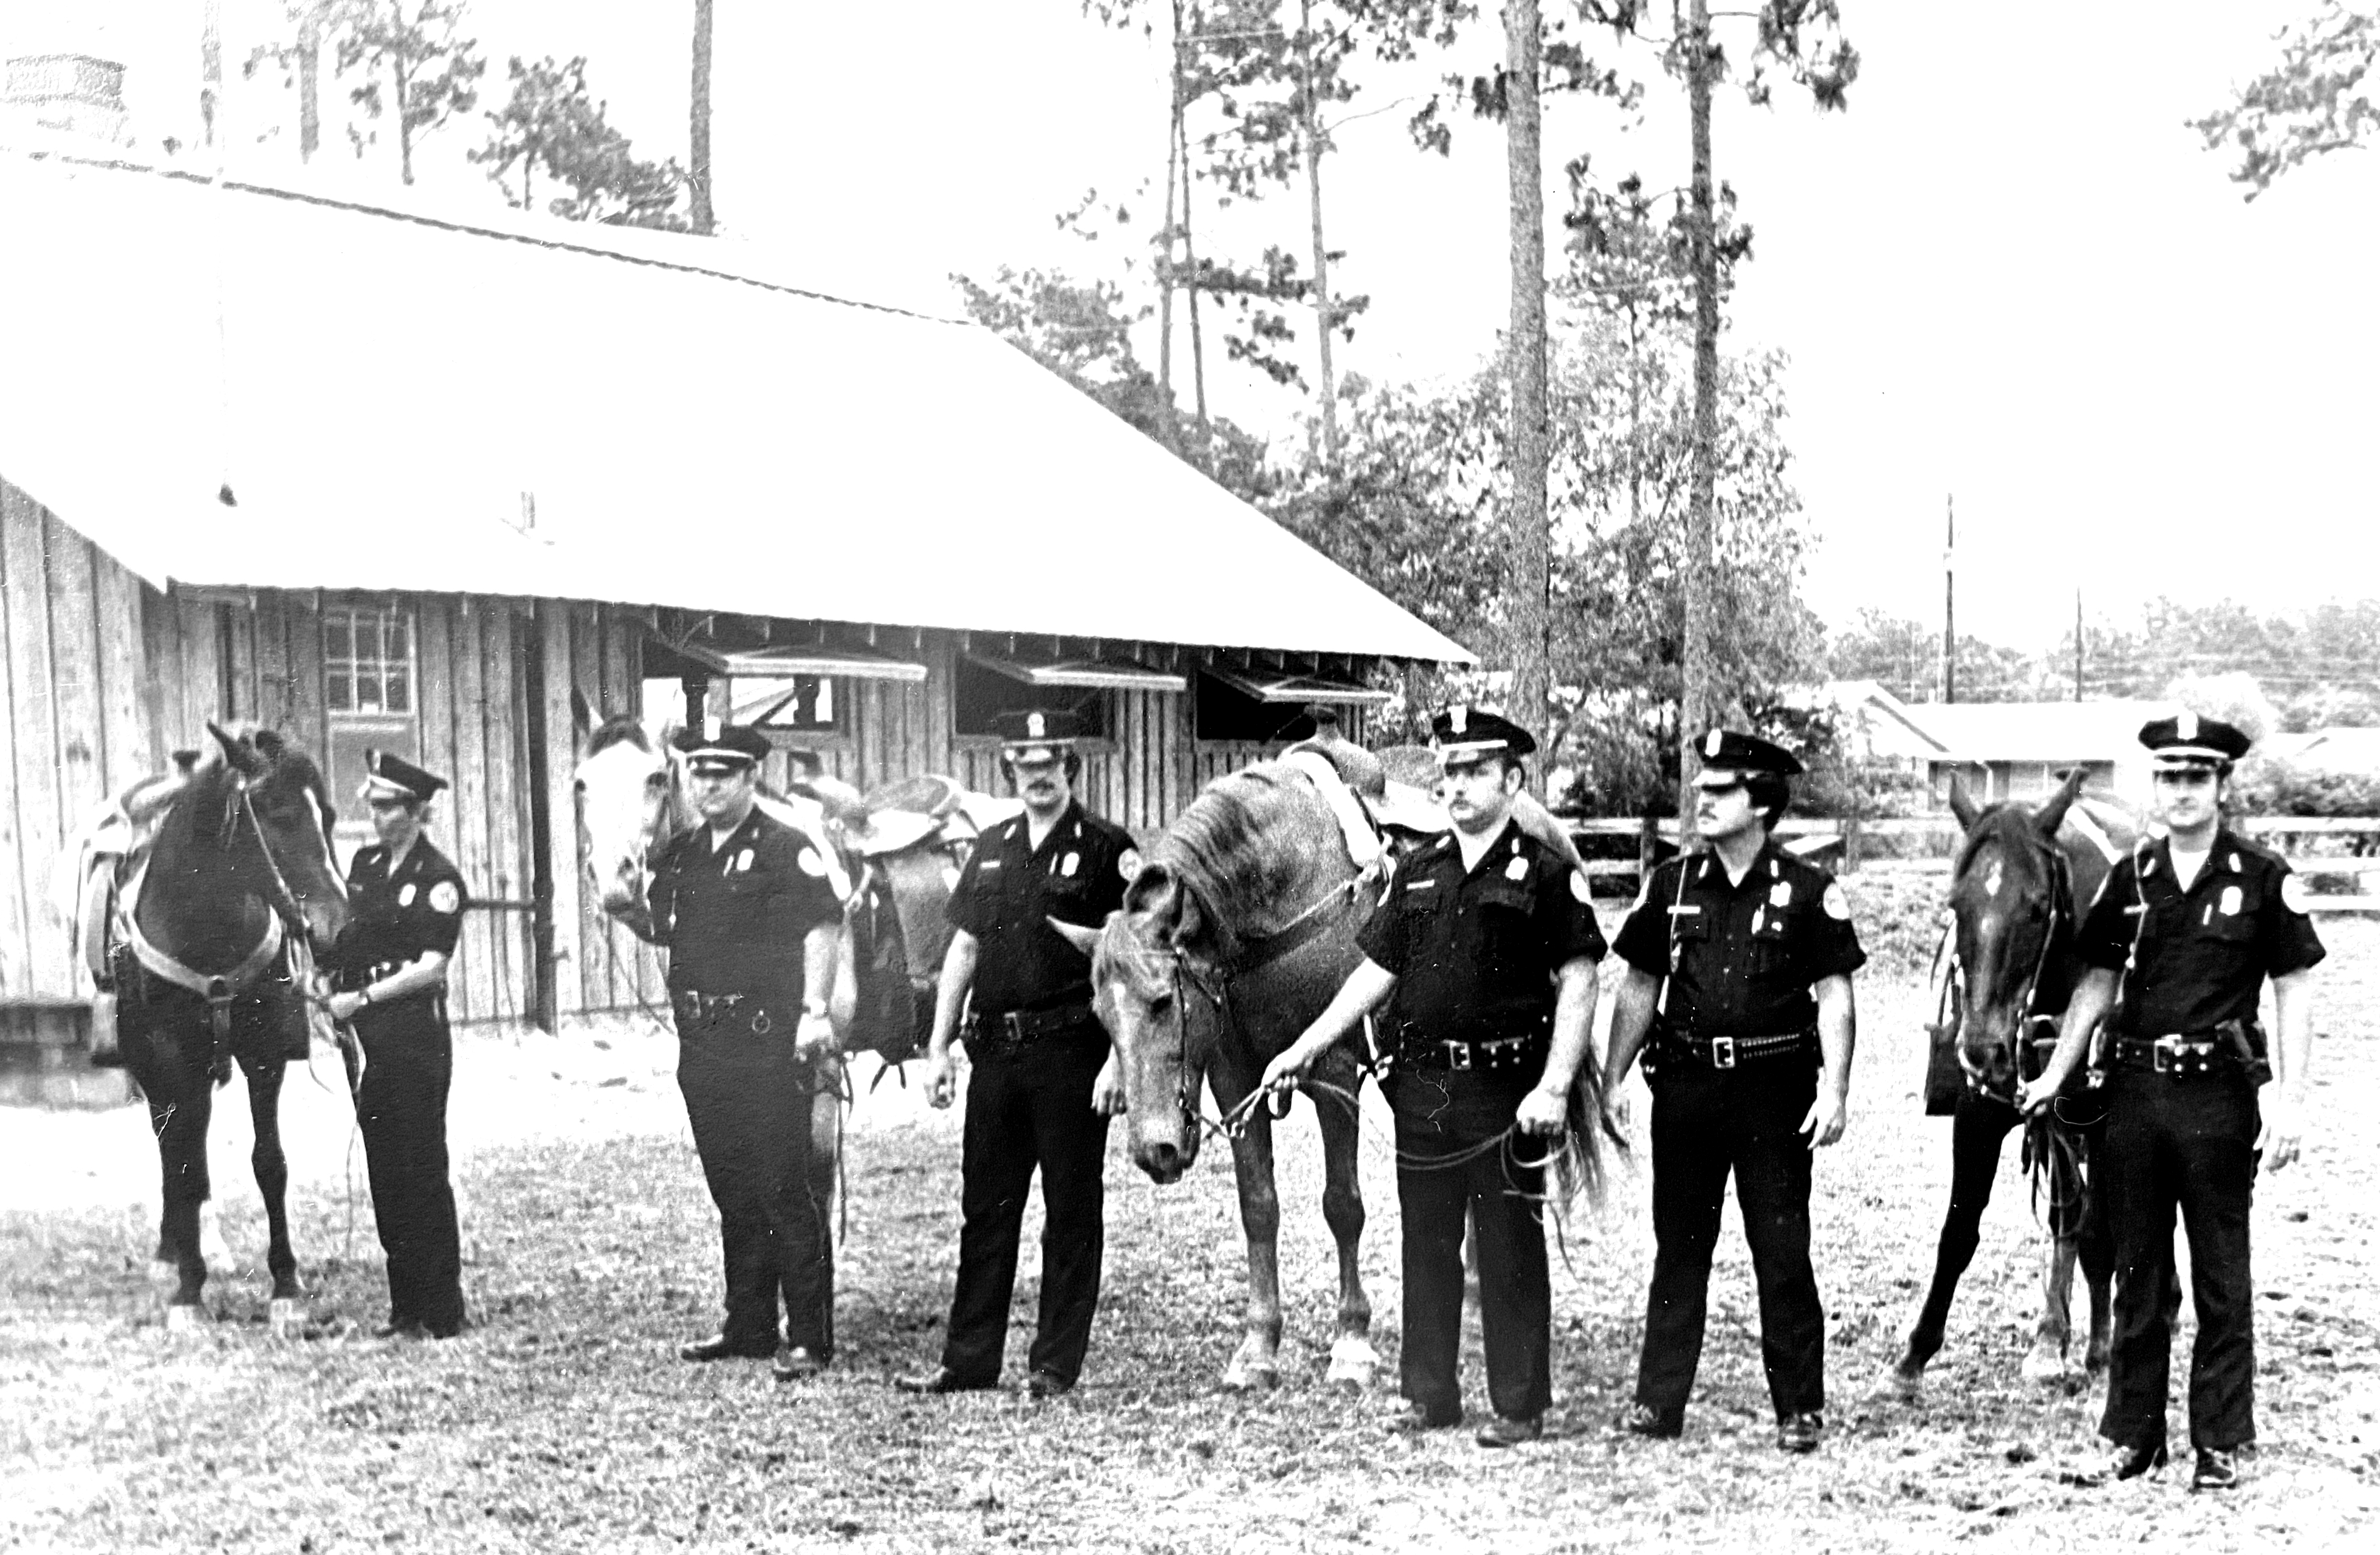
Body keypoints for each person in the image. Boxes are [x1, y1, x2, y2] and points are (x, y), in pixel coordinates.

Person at [1260, 706, 1604, 1449]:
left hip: (1506, 1092)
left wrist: (1552, 1085)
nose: (1455, 784)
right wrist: (1301, 1046)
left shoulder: (1543, 874)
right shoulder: (1416, 871)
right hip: (1424, 1089)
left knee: (1509, 1246)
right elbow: (1372, 976)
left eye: (1475, 770)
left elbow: (1580, 982)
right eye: (1449, 770)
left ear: (1513, 780)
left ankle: (1517, 1404)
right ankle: (1428, 1394)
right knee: (1425, 1242)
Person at [2023, 712, 2322, 1492]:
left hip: (2220, 1098)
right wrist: (2057, 1071)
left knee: (2222, 1273)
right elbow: (2094, 980)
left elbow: (2292, 987)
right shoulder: (2132, 878)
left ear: (2221, 787)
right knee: (2137, 1271)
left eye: (2195, 777)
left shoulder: (2260, 878)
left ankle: (2220, 1442)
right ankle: (2130, 1436)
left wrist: (2290, 1100)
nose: (2180, 791)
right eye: (2167, 777)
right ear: (2153, 786)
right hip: (2134, 1097)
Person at [1601, 729, 1863, 1454]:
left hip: (1773, 1092)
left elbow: (1834, 998)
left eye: (1718, 792)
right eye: (1699, 789)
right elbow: (1638, 989)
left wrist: (1834, 1091)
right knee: (1677, 1249)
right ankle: (1658, 1404)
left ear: (1762, 802)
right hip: (1685, 1089)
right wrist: (1610, 1079)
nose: (1700, 802)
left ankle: (1798, 1408)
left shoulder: (1808, 891)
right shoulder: (1671, 885)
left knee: (1780, 1247)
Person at [897, 710, 1133, 1400]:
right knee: (986, 1210)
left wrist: (1119, 1061)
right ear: (1009, 771)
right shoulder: (992, 846)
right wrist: (937, 1047)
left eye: (1049, 763)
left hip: (1070, 1053)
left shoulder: (1106, 850)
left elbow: (1131, 962)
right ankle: (968, 1361)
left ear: (1069, 767)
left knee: (1070, 1208)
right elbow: (963, 950)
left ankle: (1053, 1366)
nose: (1038, 776)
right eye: (1024, 765)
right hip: (995, 1056)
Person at [642, 723, 845, 1381]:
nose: (708, 785)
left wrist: (814, 1013)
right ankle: (749, 1324)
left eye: (722, 773)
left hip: (764, 1038)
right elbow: (660, 926)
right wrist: (620, 909)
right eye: (698, 773)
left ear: (751, 776)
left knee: (784, 1187)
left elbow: (822, 925)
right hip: (703, 1043)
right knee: (731, 1188)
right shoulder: (683, 853)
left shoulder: (785, 849)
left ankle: (809, 1335)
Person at [323, 750, 473, 1340]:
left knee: (422, 1171)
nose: (376, 817)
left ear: (416, 812)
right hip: (373, 1040)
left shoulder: (438, 880)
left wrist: (362, 1000)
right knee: (386, 1171)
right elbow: (350, 938)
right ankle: (404, 1305)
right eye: (373, 806)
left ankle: (441, 1309)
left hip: (415, 1037)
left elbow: (433, 967)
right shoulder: (364, 866)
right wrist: (329, 977)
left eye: (387, 807)